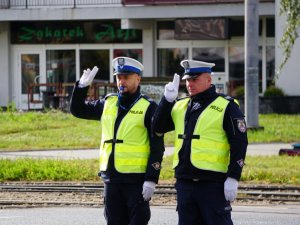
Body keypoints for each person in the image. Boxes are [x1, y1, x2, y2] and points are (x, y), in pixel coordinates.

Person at [70, 56, 165, 225]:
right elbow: (78, 110)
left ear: (138, 78)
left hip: (136, 181)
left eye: (126, 77)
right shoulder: (108, 102)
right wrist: (82, 87)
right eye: (118, 77)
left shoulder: (148, 107)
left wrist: (151, 179)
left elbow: (157, 146)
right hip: (111, 179)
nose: (121, 81)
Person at [152, 60, 248, 225]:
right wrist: (166, 102)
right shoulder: (180, 105)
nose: (189, 84)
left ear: (208, 80)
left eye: (194, 79)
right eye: (188, 80)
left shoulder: (226, 106)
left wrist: (233, 177)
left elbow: (239, 142)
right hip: (184, 182)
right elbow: (157, 128)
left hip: (213, 184)